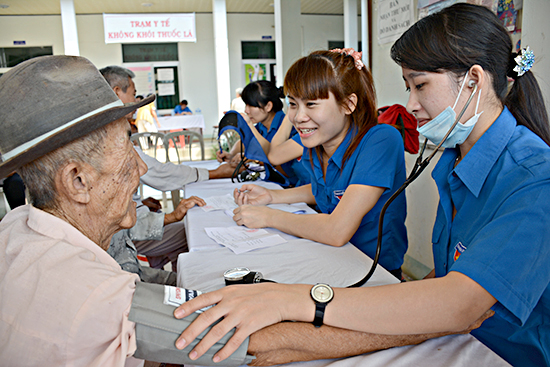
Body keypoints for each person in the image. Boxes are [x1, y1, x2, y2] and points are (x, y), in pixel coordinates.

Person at [0, 55, 491, 367]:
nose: (141, 168)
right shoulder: (77, 288)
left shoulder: (22, 231)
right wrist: (434, 319)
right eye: (129, 149)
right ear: (78, 181)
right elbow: (261, 343)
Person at [172, 4, 550, 367]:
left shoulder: (535, 176)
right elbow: (447, 284)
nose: (411, 105)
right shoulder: (453, 162)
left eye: (420, 86)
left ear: (474, 81)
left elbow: (462, 305)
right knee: (268, 344)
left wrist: (300, 302)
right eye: (407, 87)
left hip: (501, 354)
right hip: (451, 336)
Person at [232, 49, 408, 278]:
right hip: (330, 259)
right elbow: (327, 190)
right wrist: (272, 197)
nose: (298, 117)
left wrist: (268, 216)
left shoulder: (381, 139)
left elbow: (336, 230)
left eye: (311, 104)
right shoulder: (317, 141)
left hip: (373, 273)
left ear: (348, 104)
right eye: (293, 104)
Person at [100, 65, 237, 271]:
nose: (136, 101)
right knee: (195, 233)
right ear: (118, 92)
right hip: (119, 240)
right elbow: (157, 172)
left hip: (125, 231)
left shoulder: (111, 132)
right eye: (134, 94)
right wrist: (171, 215)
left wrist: (137, 203)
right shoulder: (107, 138)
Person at [217, 80, 308, 187]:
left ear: (268, 106)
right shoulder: (261, 126)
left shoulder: (290, 128)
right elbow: (243, 143)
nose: (246, 110)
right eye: (246, 105)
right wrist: (230, 155)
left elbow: (282, 166)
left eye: (251, 105)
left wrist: (255, 158)